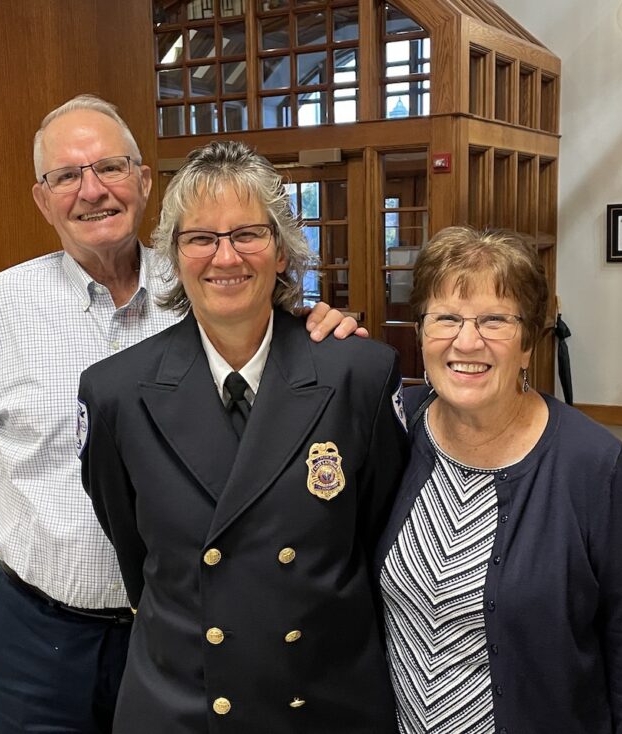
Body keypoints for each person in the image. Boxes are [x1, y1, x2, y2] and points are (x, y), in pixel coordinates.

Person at [0, 95, 357, 734]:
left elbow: (286, 375)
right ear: (42, 197)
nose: (92, 190)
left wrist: (325, 325)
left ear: (143, 182)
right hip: (40, 634)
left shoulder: (207, 277)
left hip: (192, 636)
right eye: (66, 176)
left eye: (110, 167)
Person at [77, 140, 409, 733]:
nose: (224, 257)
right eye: (200, 238)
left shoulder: (358, 374)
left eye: (248, 234)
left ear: (281, 250)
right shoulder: (116, 394)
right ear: (174, 258)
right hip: (183, 704)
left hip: (323, 703)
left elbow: (375, 538)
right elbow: (136, 553)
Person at [374, 226, 622, 734]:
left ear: (528, 343)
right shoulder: (396, 430)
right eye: (446, 318)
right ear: (421, 333)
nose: (467, 341)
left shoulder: (594, 465)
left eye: (494, 320)